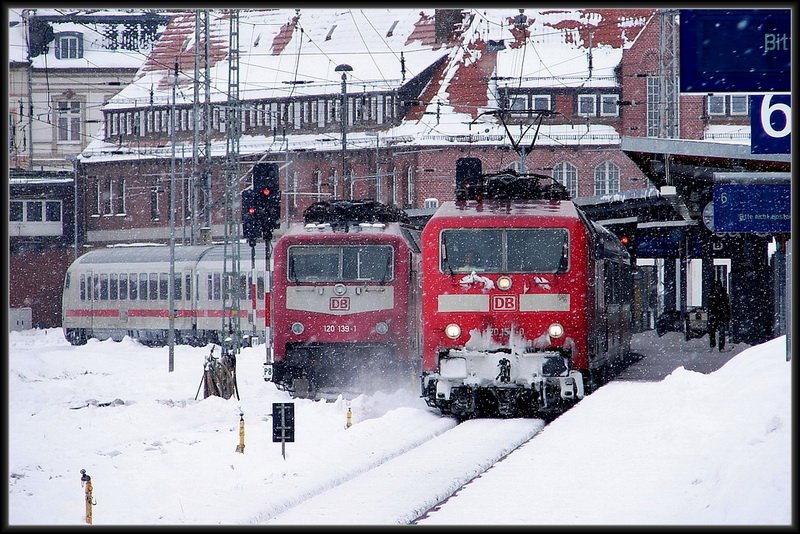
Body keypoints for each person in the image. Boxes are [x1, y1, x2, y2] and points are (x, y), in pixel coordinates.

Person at [707, 280, 731, 351]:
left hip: (719, 315)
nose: (717, 288)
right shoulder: (722, 295)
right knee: (714, 331)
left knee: (719, 332)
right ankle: (715, 345)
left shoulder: (715, 295)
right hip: (717, 315)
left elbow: (727, 306)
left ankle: (719, 346)